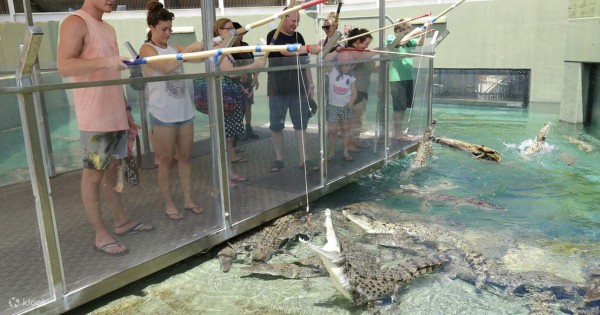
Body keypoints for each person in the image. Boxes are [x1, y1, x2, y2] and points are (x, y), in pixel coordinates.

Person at [57, 0, 153, 256]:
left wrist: (126, 111)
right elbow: (64, 66)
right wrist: (105, 61)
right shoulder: (75, 22)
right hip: (95, 119)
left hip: (115, 115)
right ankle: (100, 234)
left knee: (113, 171)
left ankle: (121, 222)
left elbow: (112, 73)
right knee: (93, 176)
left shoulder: (108, 28)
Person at [140, 1, 204, 220]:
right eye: (163, 29)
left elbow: (199, 57)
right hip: (163, 115)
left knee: (185, 158)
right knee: (166, 161)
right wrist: (186, 52)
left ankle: (188, 200)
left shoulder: (175, 48)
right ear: (152, 27)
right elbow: (166, 68)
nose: (168, 33)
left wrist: (214, 45)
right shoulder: (147, 49)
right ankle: (169, 204)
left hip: (184, 112)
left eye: (170, 29)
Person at [211, 18, 266, 187]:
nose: (233, 32)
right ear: (220, 31)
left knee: (228, 140)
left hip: (232, 99)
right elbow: (229, 72)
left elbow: (233, 75)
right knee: (223, 141)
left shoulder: (226, 50)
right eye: (230, 29)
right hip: (223, 102)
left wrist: (242, 87)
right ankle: (222, 177)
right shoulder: (217, 50)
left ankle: (229, 172)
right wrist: (254, 65)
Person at [266, 10, 322, 172]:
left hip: (298, 87)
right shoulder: (273, 35)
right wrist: (310, 47)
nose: (295, 25)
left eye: (298, 21)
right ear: (283, 18)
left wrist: (310, 84)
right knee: (276, 124)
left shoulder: (299, 36)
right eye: (293, 21)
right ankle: (278, 159)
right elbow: (286, 51)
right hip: (277, 88)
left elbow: (304, 62)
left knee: (301, 124)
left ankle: (304, 160)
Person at [387, 19, 431, 140]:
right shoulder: (392, 38)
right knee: (398, 107)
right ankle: (397, 133)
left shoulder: (408, 41)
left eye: (410, 29)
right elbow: (399, 43)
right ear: (399, 30)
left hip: (408, 77)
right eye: (407, 28)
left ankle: (399, 131)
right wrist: (416, 31)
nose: (409, 31)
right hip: (396, 78)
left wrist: (423, 31)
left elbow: (420, 43)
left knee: (404, 107)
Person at [345, 28, 375, 151]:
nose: (367, 47)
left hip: (363, 88)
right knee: (354, 118)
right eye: (366, 43)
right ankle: (350, 144)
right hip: (355, 90)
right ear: (357, 41)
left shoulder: (360, 52)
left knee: (358, 117)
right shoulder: (350, 51)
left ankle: (355, 140)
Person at [231, 21, 260, 142]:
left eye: (242, 34)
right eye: (239, 34)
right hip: (236, 83)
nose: (241, 37)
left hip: (248, 81)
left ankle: (248, 128)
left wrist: (255, 78)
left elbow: (253, 63)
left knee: (248, 106)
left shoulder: (246, 45)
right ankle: (237, 132)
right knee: (238, 108)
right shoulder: (230, 49)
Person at [326, 52, 357, 162]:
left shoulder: (351, 77)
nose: (345, 67)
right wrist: (337, 51)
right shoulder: (332, 71)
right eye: (343, 64)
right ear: (338, 64)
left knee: (345, 130)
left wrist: (351, 102)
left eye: (348, 65)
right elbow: (325, 59)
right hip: (333, 106)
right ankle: (331, 151)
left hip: (345, 107)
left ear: (351, 66)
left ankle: (345, 151)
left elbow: (354, 93)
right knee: (333, 131)